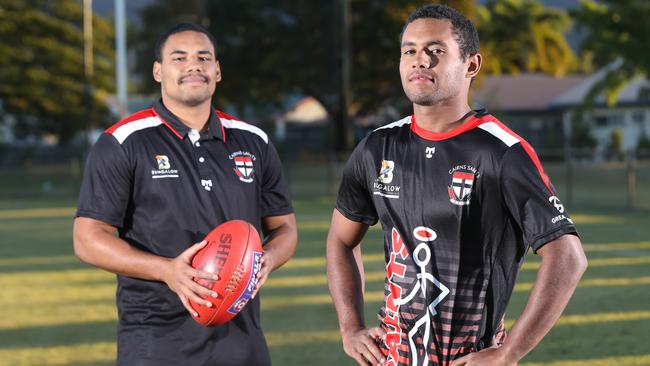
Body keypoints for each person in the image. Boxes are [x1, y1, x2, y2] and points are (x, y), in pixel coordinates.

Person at [326, 5, 587, 366]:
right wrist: (350, 327)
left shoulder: (501, 152)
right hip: (391, 358)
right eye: (409, 51)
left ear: (471, 65)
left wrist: (509, 352)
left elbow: (568, 256)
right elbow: (341, 240)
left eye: (436, 51)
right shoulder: (377, 147)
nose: (420, 61)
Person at [73, 23, 297, 366]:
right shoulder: (124, 141)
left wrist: (264, 260)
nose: (194, 65)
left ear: (217, 71)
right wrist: (167, 271)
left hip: (242, 340)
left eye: (203, 58)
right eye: (180, 58)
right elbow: (87, 239)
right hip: (156, 342)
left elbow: (285, 229)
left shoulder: (254, 141)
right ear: (158, 71)